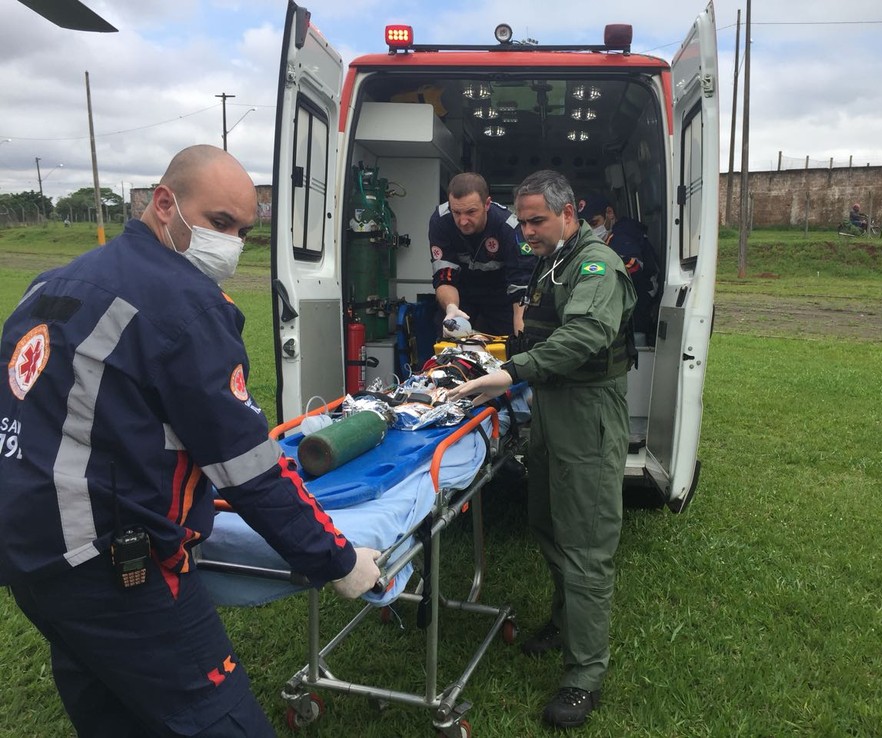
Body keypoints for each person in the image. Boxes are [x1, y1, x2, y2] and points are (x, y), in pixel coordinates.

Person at [0, 144, 380, 737]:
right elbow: (250, 469)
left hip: (30, 553)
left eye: (242, 230)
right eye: (219, 223)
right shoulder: (187, 306)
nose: (229, 244)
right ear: (163, 203)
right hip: (113, 569)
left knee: (112, 710)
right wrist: (338, 560)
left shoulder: (52, 282)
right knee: (219, 719)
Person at [448, 170, 636, 730]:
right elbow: (540, 331)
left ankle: (584, 676)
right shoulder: (552, 260)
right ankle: (564, 621)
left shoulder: (595, 265)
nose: (526, 230)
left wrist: (509, 375)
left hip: (587, 414)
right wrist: (496, 352)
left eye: (537, 220)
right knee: (547, 524)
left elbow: (582, 338)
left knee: (585, 544)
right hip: (553, 411)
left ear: (569, 214)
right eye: (523, 221)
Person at [429, 172, 535, 337]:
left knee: (512, 343)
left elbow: (521, 286)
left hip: (501, 294)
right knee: (447, 340)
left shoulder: (509, 227)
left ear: (487, 204)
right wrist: (451, 308)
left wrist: (521, 338)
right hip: (460, 292)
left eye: (471, 212)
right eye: (456, 212)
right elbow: (444, 276)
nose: (463, 221)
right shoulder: (441, 221)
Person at [578, 193, 659, 341]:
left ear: (609, 213)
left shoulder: (623, 235)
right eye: (586, 227)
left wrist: (590, 267)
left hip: (640, 301)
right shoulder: (610, 237)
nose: (591, 231)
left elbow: (634, 267)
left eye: (594, 223)